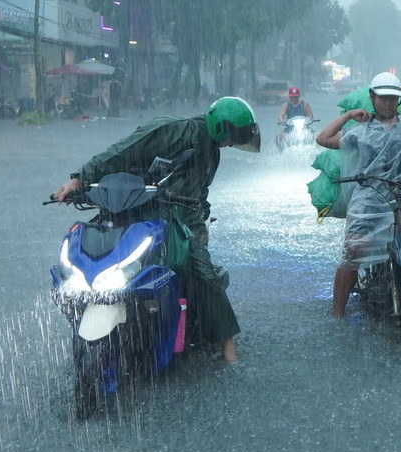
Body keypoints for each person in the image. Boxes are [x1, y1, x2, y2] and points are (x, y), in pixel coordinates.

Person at [51, 97, 261, 363]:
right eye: (233, 136)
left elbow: (200, 192)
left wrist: (201, 217)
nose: (232, 143)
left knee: (204, 274)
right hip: (137, 207)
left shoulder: (213, 152)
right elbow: (122, 151)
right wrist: (80, 179)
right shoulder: (176, 130)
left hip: (180, 219)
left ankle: (227, 347)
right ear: (224, 128)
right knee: (87, 248)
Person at [316, 71, 401, 316]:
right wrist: (348, 116)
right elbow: (323, 138)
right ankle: (337, 313)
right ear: (372, 97)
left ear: (399, 100)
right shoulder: (360, 131)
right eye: (382, 97)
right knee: (353, 250)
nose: (387, 103)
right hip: (370, 199)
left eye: (392, 98)